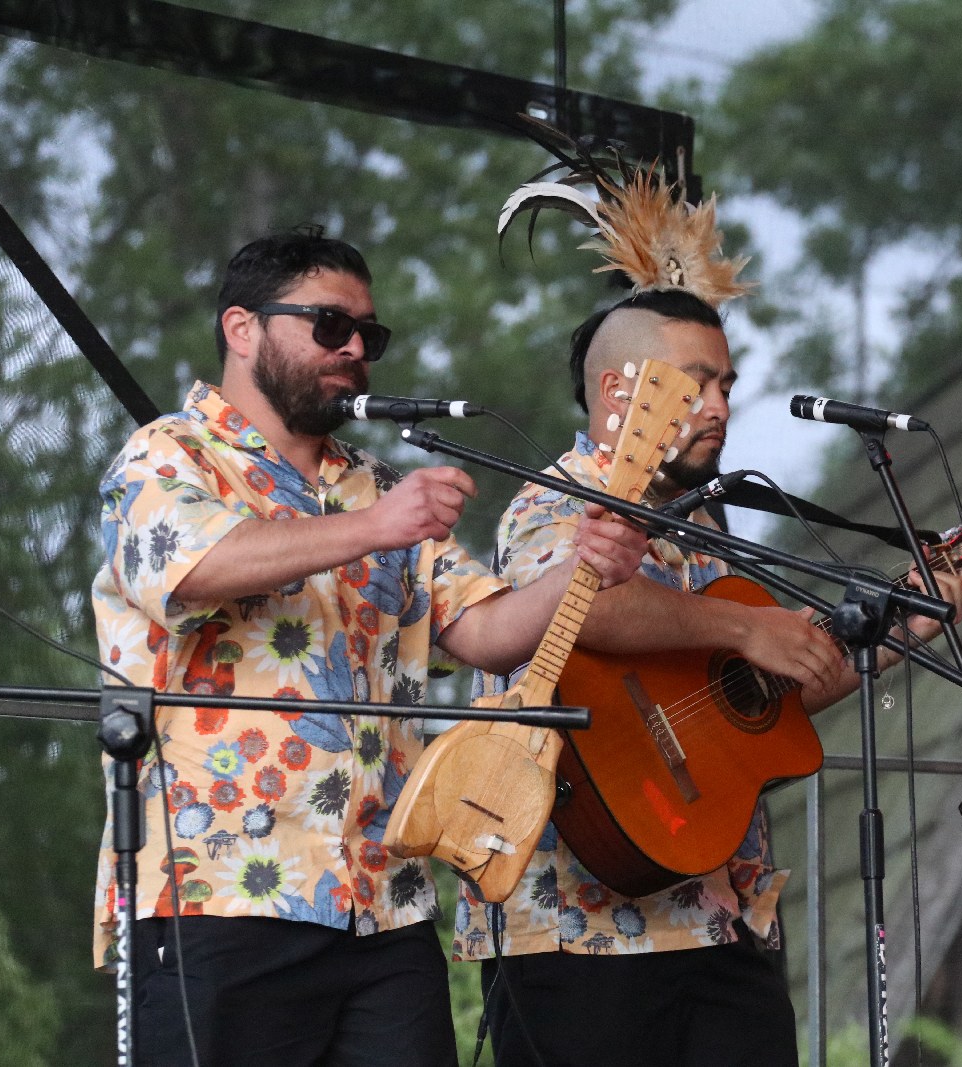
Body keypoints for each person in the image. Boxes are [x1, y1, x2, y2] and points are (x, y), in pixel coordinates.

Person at [90, 225, 649, 1067]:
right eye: (329, 326)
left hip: (384, 903)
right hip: (217, 900)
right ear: (242, 329)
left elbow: (488, 632)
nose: (355, 349)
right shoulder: (168, 455)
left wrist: (582, 569)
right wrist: (373, 528)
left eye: (369, 335)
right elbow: (194, 565)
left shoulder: (380, 484)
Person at [450, 285, 962, 1067]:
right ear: (616, 391)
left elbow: (757, 706)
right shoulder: (558, 501)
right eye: (693, 382)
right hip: (579, 933)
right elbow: (586, 602)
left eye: (727, 385)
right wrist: (745, 624)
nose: (718, 405)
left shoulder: (703, 529)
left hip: (720, 917)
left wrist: (899, 629)